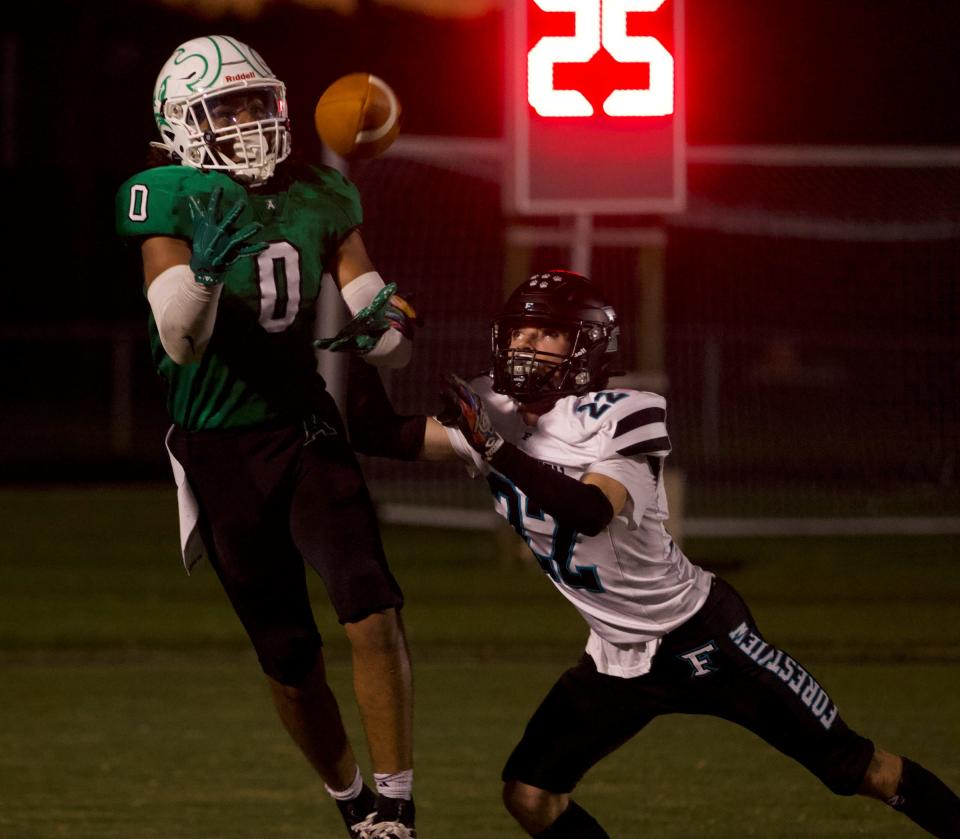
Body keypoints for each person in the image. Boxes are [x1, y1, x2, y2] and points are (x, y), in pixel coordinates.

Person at [356, 269, 960, 838]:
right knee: (529, 795)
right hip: (616, 659)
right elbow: (378, 434)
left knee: (855, 768)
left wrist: (495, 449)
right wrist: (368, 348)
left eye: (550, 332)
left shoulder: (626, 410)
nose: (528, 342)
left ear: (586, 347)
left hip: (704, 639)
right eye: (522, 328)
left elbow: (591, 510)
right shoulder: (493, 411)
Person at [114, 35, 422, 839]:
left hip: (304, 424)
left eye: (258, 102)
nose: (249, 120)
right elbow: (180, 339)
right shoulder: (165, 194)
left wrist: (383, 328)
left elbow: (381, 317)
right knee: (290, 660)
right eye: (228, 107)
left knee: (370, 601)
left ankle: (397, 803)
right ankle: (353, 800)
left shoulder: (320, 192)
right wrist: (208, 278)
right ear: (181, 124)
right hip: (219, 449)